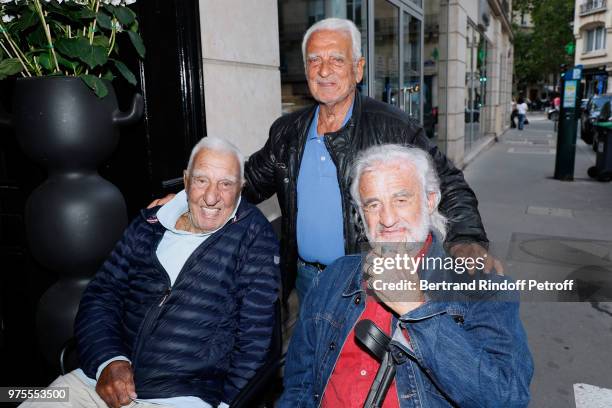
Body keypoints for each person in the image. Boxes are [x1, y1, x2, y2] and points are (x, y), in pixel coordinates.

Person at [151, 18, 498, 303]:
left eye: (337, 59)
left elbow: (448, 183)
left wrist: (466, 239)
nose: (324, 70)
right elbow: (248, 181)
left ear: (358, 69)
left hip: (366, 279)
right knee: (312, 372)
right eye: (315, 60)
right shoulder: (288, 131)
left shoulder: (393, 128)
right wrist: (189, 198)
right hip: (305, 279)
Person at [22, 137, 280, 408]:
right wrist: (108, 360)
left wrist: (228, 404)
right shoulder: (149, 224)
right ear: (186, 179)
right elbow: (101, 296)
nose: (211, 196)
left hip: (181, 398)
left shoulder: (253, 238)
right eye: (201, 180)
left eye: (225, 184)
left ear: (240, 188)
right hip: (97, 383)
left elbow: (255, 339)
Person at [278, 144, 533, 407]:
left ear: (430, 200)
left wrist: (417, 310)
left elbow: (507, 397)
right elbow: (299, 383)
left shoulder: (483, 288)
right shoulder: (334, 277)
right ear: (360, 213)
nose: (387, 219)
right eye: (373, 204)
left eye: (401, 200)